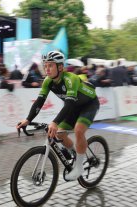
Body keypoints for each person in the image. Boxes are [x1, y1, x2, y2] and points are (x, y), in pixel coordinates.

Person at [17, 51, 100, 181]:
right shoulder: (47, 81)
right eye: (45, 65)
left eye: (50, 65)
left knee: (79, 130)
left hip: (89, 104)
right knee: (60, 134)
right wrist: (28, 119)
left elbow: (68, 104)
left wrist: (55, 122)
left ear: (60, 67)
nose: (47, 69)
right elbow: (39, 102)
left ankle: (79, 168)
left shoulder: (70, 79)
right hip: (73, 107)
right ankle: (76, 153)